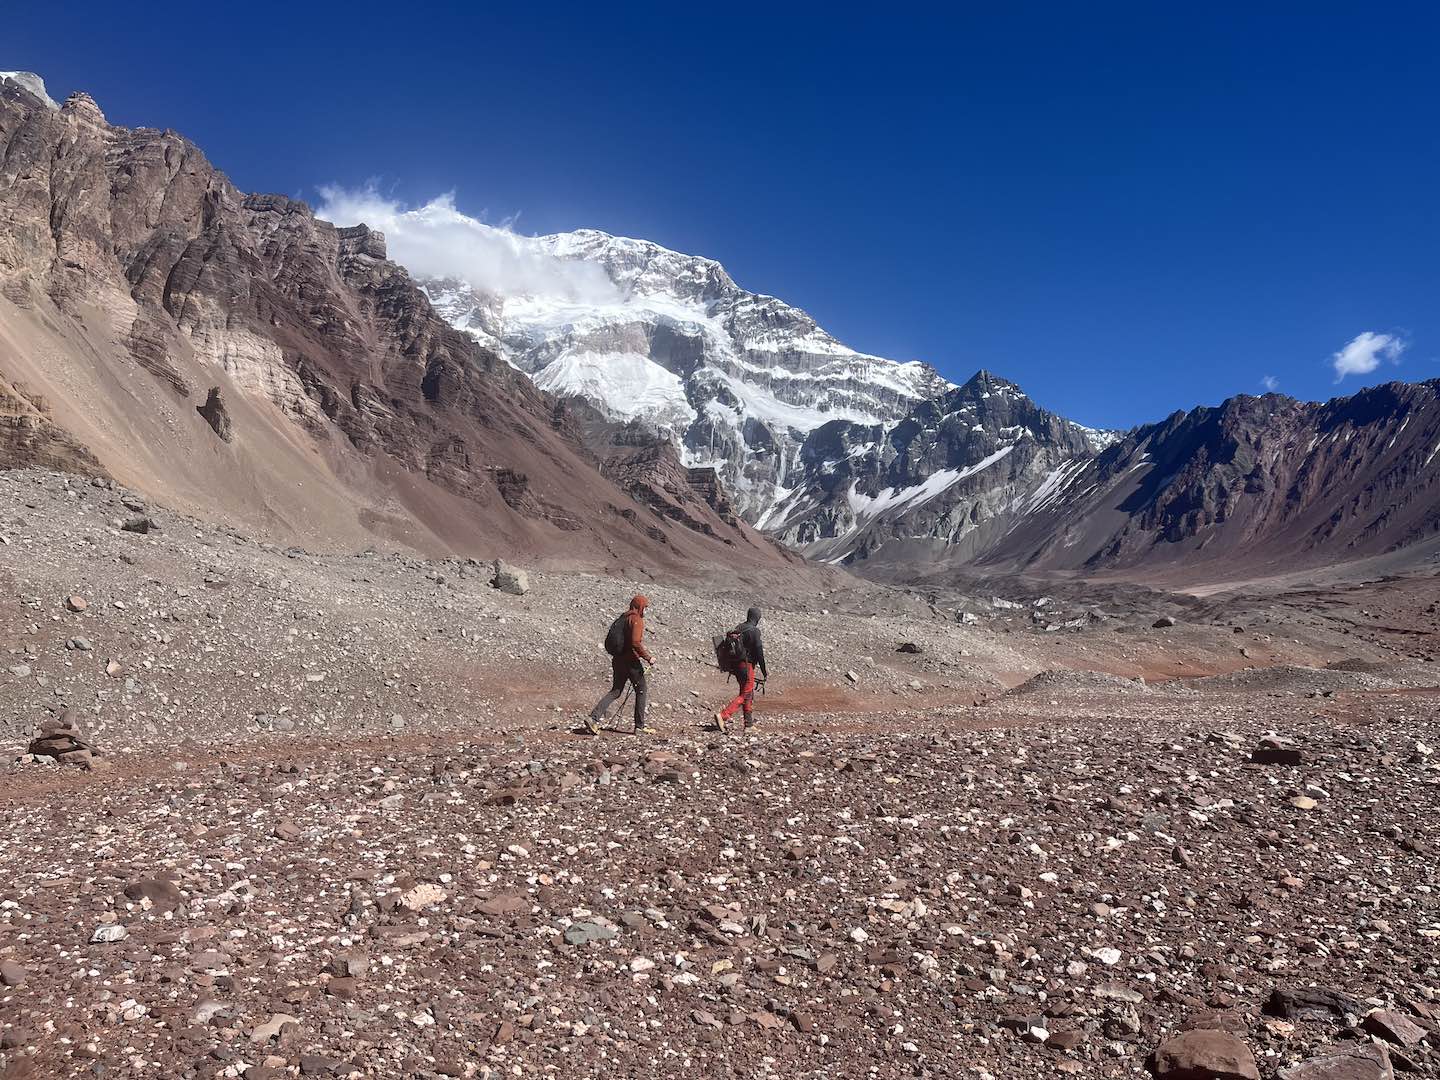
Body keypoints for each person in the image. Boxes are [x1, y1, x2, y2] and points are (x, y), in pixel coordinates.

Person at [586, 595, 654, 734]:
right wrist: (648, 658)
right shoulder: (636, 619)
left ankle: (593, 718)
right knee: (641, 690)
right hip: (631, 661)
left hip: (618, 660)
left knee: (616, 691)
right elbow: (635, 642)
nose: (645, 610)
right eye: (645, 607)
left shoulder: (623, 617)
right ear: (640, 606)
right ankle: (639, 727)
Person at [714, 606, 768, 733]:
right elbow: (759, 652)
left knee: (747, 693)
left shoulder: (739, 627)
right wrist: (764, 671)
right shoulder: (754, 631)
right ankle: (723, 715)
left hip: (736, 666)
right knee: (745, 694)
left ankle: (748, 725)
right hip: (746, 665)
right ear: (757, 618)